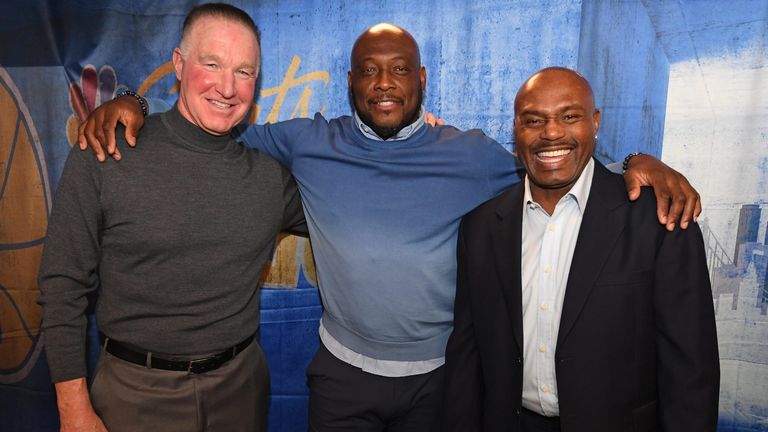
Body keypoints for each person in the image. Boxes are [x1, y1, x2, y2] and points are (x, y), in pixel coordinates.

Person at [78, 24, 702, 431]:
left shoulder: (471, 154)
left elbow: (554, 158)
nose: (384, 83)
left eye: (400, 69)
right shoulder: (305, 142)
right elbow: (212, 126)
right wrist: (137, 103)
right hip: (342, 379)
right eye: (370, 70)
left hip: (440, 381)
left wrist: (634, 163)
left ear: (422, 80)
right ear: (350, 81)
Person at [38, 4, 305, 432]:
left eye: (244, 71)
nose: (227, 87)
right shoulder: (107, 150)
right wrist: (72, 409)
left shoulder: (270, 178)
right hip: (133, 395)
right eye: (211, 64)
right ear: (179, 65)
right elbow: (62, 284)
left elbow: (348, 211)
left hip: (241, 390)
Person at [442, 67, 719, 432]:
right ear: (516, 129)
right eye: (533, 120)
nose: (551, 132)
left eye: (569, 116)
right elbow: (467, 355)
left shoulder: (659, 219)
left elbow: (691, 368)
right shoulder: (480, 228)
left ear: (595, 122)